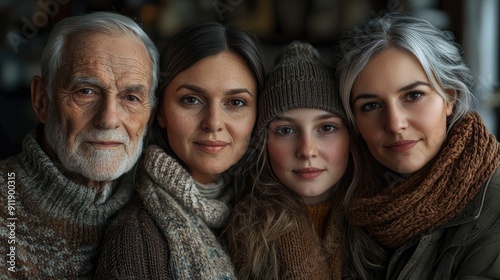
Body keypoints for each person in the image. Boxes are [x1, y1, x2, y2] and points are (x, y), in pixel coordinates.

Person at [335, 12, 500, 279]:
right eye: (371, 106)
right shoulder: (348, 200)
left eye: (414, 95)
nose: (394, 123)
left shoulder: (494, 204)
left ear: (449, 97)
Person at [94, 22, 265, 279]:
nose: (214, 123)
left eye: (236, 102)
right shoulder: (136, 239)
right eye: (191, 100)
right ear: (160, 110)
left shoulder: (264, 212)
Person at [0, 11, 158, 279]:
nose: (108, 119)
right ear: (41, 100)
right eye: (85, 91)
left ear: (150, 111)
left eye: (131, 97)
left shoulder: (156, 204)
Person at [225, 41, 352, 279]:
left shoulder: (378, 223)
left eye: (326, 127)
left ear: (351, 136)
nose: (306, 150)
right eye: (285, 130)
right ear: (262, 143)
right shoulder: (243, 233)